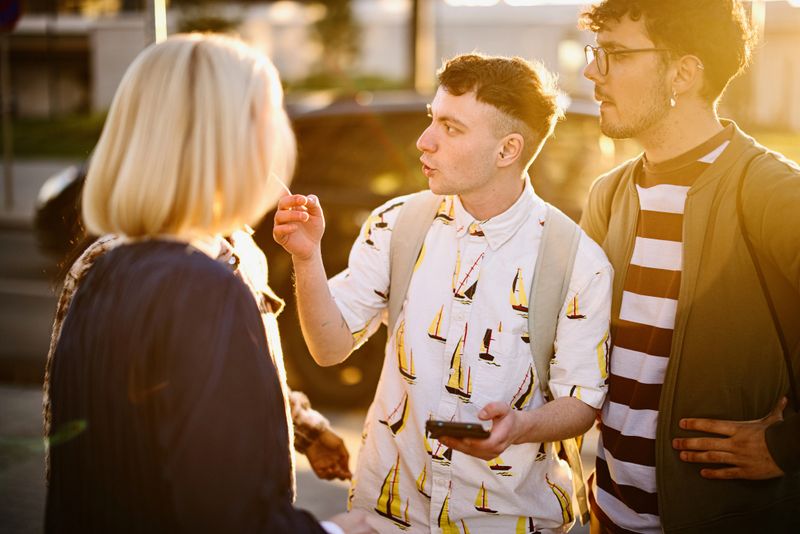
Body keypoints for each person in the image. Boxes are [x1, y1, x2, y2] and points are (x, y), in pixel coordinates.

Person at [44, 34, 374, 534]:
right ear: (233, 141)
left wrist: (300, 427)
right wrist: (344, 530)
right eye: (273, 113)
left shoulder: (108, 273)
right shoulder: (200, 286)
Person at [274, 53, 613, 532]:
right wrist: (307, 259)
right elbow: (329, 349)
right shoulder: (396, 224)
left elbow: (581, 401)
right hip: (386, 517)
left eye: (451, 128)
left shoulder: (579, 261)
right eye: (432, 119)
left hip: (508, 521)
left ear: (507, 150)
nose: (424, 140)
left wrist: (521, 428)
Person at [578, 1, 800, 532]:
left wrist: (789, 445)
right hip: (608, 514)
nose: (591, 72)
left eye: (615, 55)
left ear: (684, 72)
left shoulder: (774, 194)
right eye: (595, 53)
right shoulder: (608, 195)